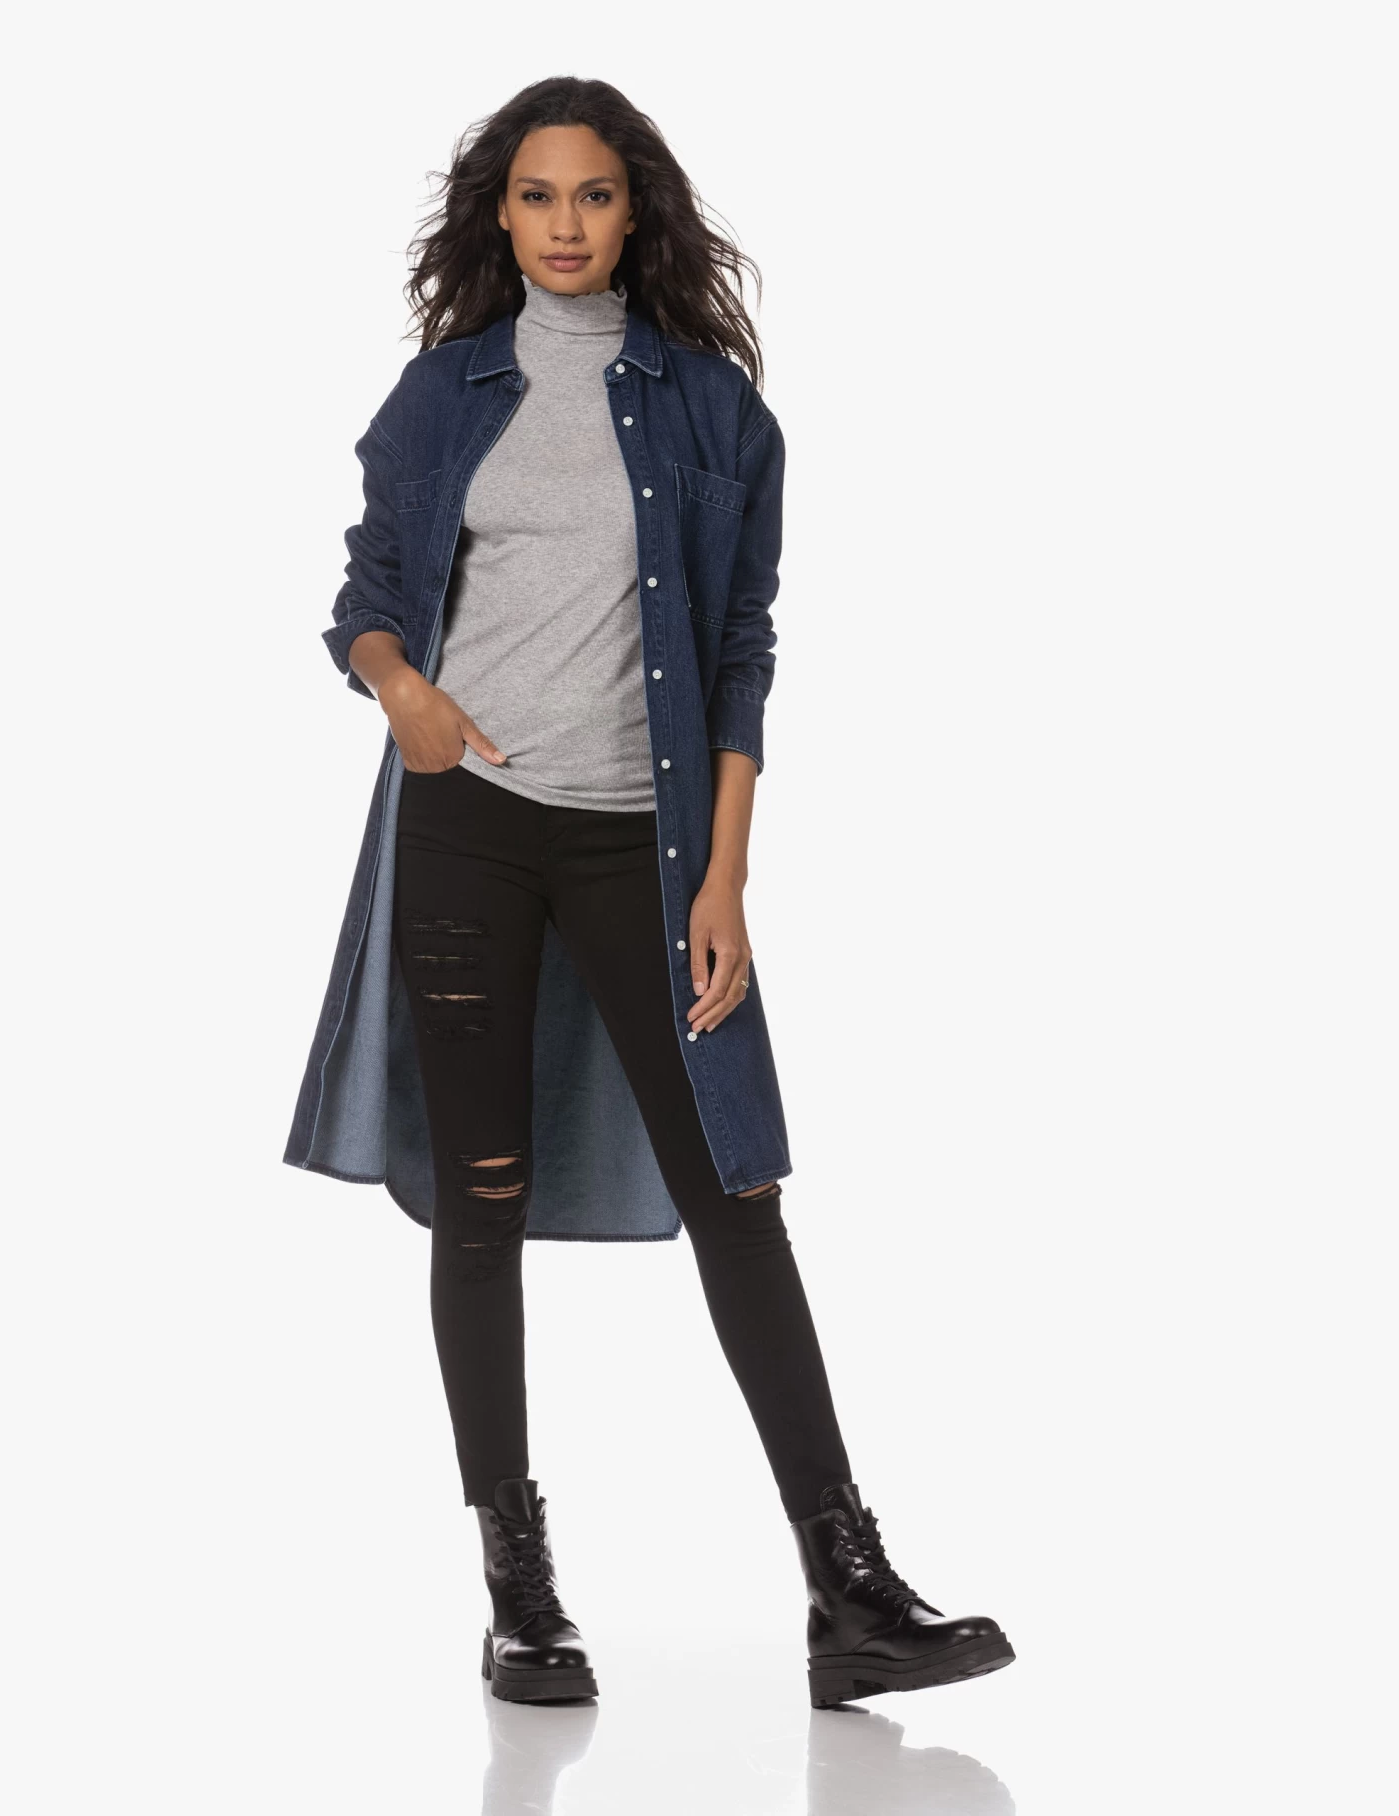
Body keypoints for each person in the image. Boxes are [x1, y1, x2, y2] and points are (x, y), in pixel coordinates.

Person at [284, 75, 1014, 1709]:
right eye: (538, 196)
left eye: (594, 196)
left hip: (647, 843)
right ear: (499, 214)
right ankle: (521, 1596)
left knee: (736, 1194)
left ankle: (847, 1589)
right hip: (469, 829)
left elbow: (743, 647)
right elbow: (368, 593)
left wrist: (727, 878)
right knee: (481, 1205)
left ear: (635, 214)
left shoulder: (711, 410)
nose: (565, 225)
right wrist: (398, 688)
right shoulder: (442, 393)